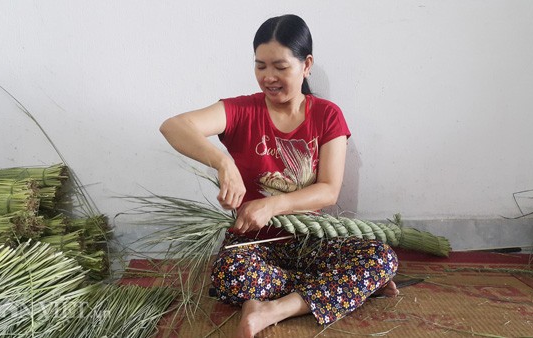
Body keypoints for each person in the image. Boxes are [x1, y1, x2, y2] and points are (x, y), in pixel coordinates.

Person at [160, 14, 399, 338]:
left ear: (306, 64)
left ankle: (273, 307)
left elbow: (329, 190)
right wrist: (223, 162)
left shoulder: (327, 115)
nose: (268, 77)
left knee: (381, 258)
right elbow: (174, 126)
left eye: (280, 67)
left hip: (310, 241)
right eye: (261, 66)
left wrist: (271, 206)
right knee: (230, 273)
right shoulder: (241, 110)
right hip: (252, 246)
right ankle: (343, 289)